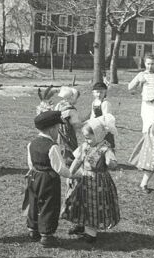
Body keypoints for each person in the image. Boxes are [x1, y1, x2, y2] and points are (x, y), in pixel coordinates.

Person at [23, 111, 81, 247]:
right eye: (57, 128)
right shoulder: (52, 147)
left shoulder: (31, 143)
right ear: (52, 129)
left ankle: (33, 229)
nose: (58, 132)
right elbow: (60, 168)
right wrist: (73, 175)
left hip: (34, 176)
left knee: (34, 201)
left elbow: (30, 163)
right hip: (48, 179)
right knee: (49, 205)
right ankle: (46, 235)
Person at [62, 114, 120, 243]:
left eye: (89, 138)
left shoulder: (105, 149)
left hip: (97, 182)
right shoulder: (85, 146)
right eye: (85, 138)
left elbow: (113, 163)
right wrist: (70, 174)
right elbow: (77, 160)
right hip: (82, 179)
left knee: (93, 204)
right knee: (79, 202)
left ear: (98, 134)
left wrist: (111, 163)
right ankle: (80, 224)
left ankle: (90, 233)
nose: (87, 140)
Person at [54, 87, 81, 164]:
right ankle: (70, 160)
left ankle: (61, 158)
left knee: (60, 143)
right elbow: (75, 123)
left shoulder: (59, 104)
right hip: (68, 130)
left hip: (58, 128)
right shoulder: (71, 109)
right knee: (70, 144)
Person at [89, 82, 115, 148]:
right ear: (93, 93)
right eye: (97, 92)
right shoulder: (94, 102)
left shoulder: (105, 103)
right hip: (96, 126)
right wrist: (90, 124)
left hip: (104, 128)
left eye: (101, 92)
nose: (99, 94)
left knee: (105, 147)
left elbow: (106, 117)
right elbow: (93, 115)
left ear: (105, 93)